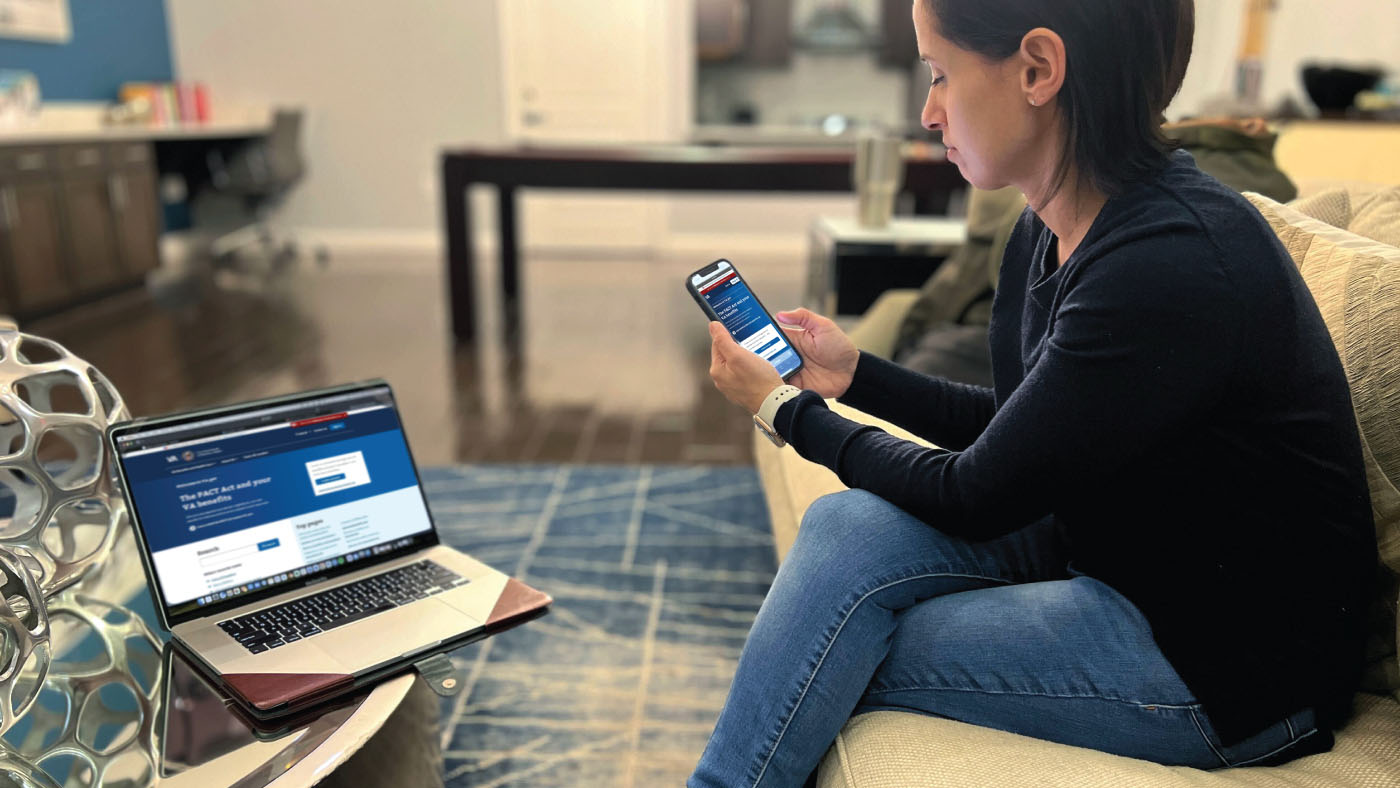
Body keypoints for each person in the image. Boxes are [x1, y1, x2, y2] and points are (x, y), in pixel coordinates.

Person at [689, 1, 1377, 786]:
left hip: (1227, 665)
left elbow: (975, 494)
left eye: (942, 74)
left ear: (1038, 69)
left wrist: (785, 409)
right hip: (1123, 551)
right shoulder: (1047, 227)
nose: (929, 110)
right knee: (844, 530)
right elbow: (1028, 430)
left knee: (833, 645)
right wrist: (856, 377)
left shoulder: (1170, 260)